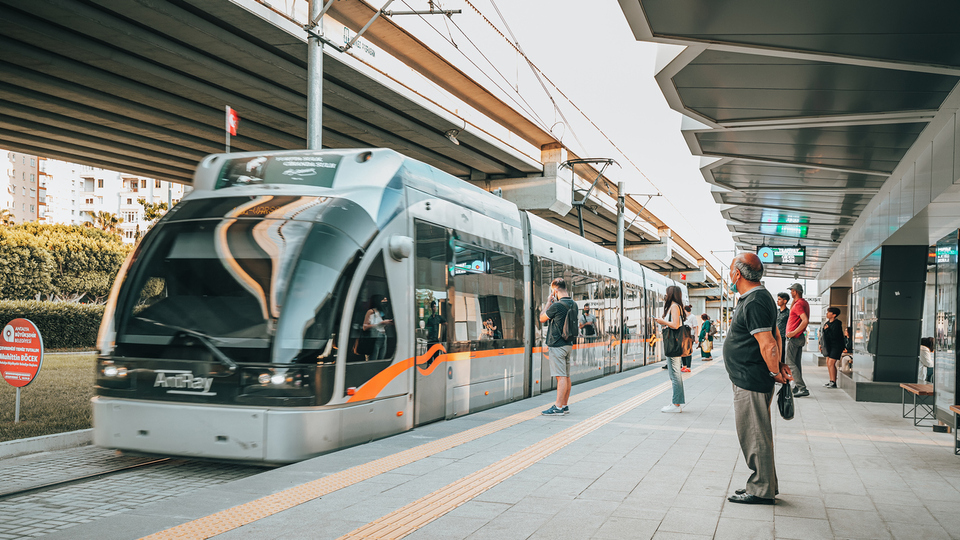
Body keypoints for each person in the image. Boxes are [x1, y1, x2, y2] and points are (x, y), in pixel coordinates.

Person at [724, 253, 791, 505]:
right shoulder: (758, 298)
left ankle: (761, 489)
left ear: (737, 274)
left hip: (751, 378)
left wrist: (775, 372)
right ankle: (764, 484)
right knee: (757, 433)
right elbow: (775, 336)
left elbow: (769, 344)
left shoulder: (754, 301)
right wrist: (780, 365)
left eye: (731, 270)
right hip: (750, 376)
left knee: (754, 434)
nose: (730, 274)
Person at [539, 278, 577, 415]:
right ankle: (565, 405)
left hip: (557, 345)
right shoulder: (574, 304)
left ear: (555, 290)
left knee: (560, 377)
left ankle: (558, 407)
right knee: (566, 376)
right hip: (568, 344)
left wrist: (548, 303)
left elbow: (542, 318)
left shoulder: (557, 306)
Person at [655, 285, 686, 413]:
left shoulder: (674, 306)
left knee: (675, 375)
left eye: (667, 293)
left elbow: (675, 325)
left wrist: (663, 322)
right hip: (674, 343)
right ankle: (676, 402)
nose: (666, 295)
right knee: (675, 374)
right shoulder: (678, 306)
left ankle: (676, 404)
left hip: (673, 344)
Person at [784, 283, 810, 397]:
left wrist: (793, 332)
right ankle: (796, 387)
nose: (790, 292)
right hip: (799, 337)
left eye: (792, 291)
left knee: (790, 363)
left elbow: (805, 320)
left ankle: (802, 388)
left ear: (796, 291)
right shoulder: (802, 303)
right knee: (796, 364)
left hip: (794, 338)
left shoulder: (799, 305)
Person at [362, 294, 393, 360]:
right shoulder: (371, 311)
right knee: (373, 358)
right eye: (383, 300)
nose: (385, 302)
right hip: (375, 336)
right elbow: (365, 327)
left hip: (383, 336)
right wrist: (380, 324)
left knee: (381, 358)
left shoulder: (381, 312)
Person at [820, 307, 845, 387]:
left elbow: (835, 335)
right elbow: (824, 335)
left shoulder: (837, 323)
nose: (827, 314)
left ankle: (833, 382)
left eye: (829, 312)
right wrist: (821, 344)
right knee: (828, 363)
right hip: (829, 346)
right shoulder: (827, 323)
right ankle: (831, 380)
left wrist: (827, 330)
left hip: (836, 346)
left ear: (834, 315)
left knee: (831, 363)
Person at [680, 305, 697, 372]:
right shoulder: (683, 317)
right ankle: (684, 366)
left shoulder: (692, 317)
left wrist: (696, 337)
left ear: (685, 310)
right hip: (682, 336)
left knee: (688, 351)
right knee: (682, 351)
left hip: (690, 336)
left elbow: (696, 327)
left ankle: (688, 367)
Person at [775, 292, 790, 361]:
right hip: (774, 337)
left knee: (782, 357)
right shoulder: (776, 311)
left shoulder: (788, 313)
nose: (777, 301)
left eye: (779, 299)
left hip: (783, 338)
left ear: (785, 301)